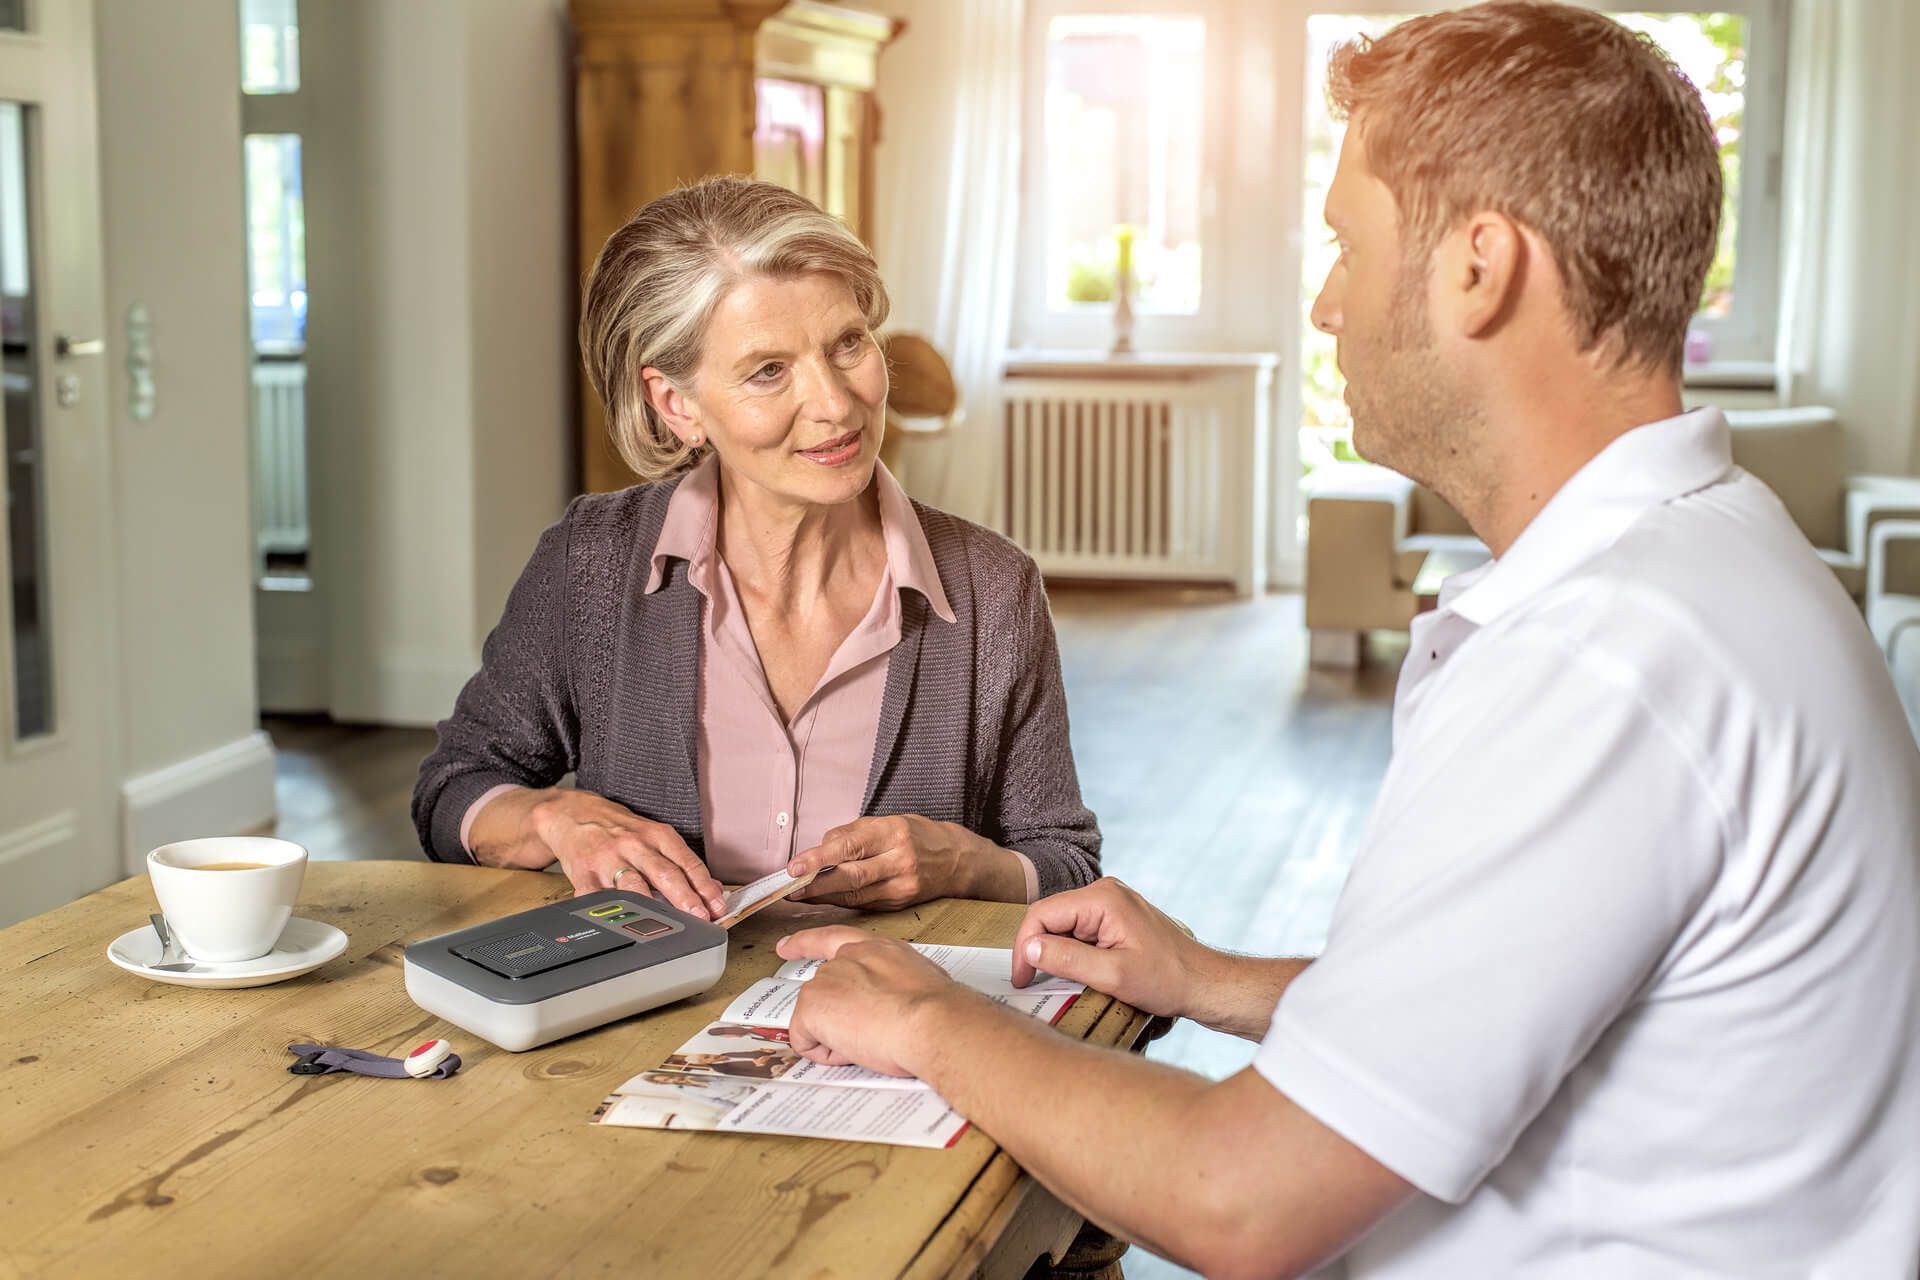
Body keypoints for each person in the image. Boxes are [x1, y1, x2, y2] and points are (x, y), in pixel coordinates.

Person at [773, 4, 1920, 1275]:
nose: (1326, 303)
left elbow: (1238, 1199)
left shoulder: (1609, 657)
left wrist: (931, 1018)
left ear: (1480, 267)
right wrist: (1214, 979)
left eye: (1347, 246)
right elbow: (1529, 983)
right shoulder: (1713, 557)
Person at [411, 177, 1100, 919]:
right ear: (677, 405)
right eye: (769, 371)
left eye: (848, 344)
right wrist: (552, 820)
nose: (836, 405)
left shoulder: (993, 589)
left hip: (898, 1029)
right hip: (640, 1025)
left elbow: (1065, 864)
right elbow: (456, 785)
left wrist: (966, 864)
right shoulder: (593, 564)